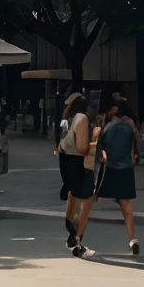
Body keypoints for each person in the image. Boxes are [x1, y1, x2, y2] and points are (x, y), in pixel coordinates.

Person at [98, 102, 141, 255]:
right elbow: (136, 149)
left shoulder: (108, 128)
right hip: (126, 168)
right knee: (126, 206)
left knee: (89, 199)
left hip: (109, 169)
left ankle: (78, 236)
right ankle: (132, 238)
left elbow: (101, 149)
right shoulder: (129, 127)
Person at [58, 94, 97, 258]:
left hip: (65, 160)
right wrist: (94, 138)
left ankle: (72, 236)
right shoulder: (81, 118)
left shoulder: (66, 118)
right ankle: (77, 240)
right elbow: (82, 147)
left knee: (73, 197)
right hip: (78, 163)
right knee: (86, 201)